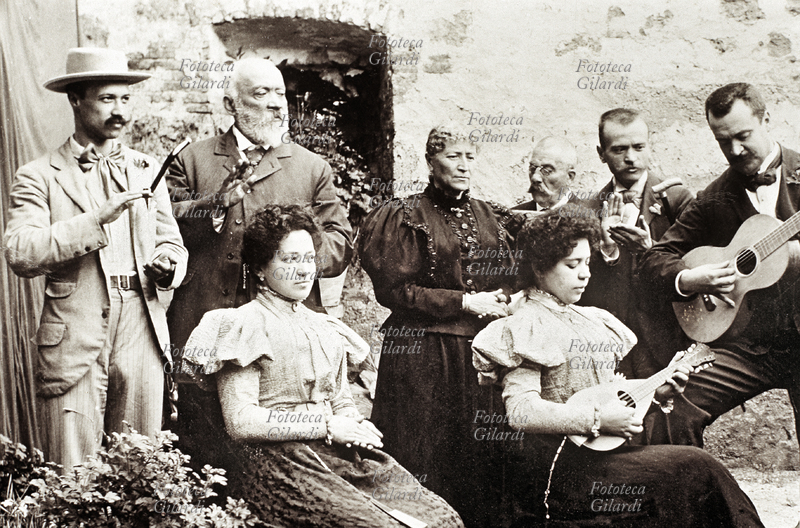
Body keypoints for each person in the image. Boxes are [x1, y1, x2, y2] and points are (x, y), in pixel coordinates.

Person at [472, 212, 763, 527]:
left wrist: (656, 391)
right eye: (572, 265)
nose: (585, 274)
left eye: (587, 263)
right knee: (695, 467)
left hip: (600, 457)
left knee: (693, 471)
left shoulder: (588, 318)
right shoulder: (526, 323)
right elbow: (521, 412)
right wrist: (596, 420)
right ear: (540, 268)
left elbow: (605, 394)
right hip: (562, 470)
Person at [182, 204, 463, 528]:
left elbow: (341, 400)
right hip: (279, 462)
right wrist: (326, 426)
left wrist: (354, 426)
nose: (304, 270)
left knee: (441, 518)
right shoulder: (242, 324)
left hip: (335, 453)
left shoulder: (326, 327)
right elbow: (241, 422)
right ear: (260, 268)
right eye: (290, 260)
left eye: (308, 258)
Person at [3, 48, 188, 471]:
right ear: (75, 99)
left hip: (141, 324)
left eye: (125, 99)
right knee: (73, 469)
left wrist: (168, 265)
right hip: (75, 331)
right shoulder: (39, 175)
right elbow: (21, 251)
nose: (120, 111)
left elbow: (172, 243)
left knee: (140, 467)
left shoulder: (147, 169)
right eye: (107, 99)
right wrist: (93, 221)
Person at [165, 57, 354, 465]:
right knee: (202, 448)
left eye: (280, 94)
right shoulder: (193, 160)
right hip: (205, 323)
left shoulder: (310, 167)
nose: (276, 105)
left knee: (281, 451)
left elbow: (340, 239)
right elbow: (166, 226)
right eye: (261, 93)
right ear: (231, 104)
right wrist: (216, 204)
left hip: (282, 338)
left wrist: (296, 264)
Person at [358, 125, 520, 527]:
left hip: (478, 355)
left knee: (477, 454)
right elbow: (395, 291)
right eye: (453, 157)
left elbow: (513, 275)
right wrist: (464, 301)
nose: (463, 166)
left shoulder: (491, 215)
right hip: (421, 353)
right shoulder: (403, 214)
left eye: (469, 157)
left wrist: (505, 298)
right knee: (424, 450)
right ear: (431, 162)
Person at [639, 83, 800, 451]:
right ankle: (695, 504)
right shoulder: (715, 196)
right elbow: (653, 261)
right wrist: (691, 278)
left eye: (743, 136)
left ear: (766, 120)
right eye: (722, 141)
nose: (734, 150)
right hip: (748, 344)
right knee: (672, 407)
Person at [579, 109, 693, 381]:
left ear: (649, 145)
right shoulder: (588, 209)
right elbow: (582, 283)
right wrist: (607, 251)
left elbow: (695, 265)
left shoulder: (676, 200)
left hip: (666, 339)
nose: (630, 158)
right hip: (611, 344)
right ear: (601, 153)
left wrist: (650, 249)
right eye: (619, 149)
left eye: (638, 147)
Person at [512, 136, 582, 214]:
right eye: (533, 168)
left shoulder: (590, 217)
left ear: (569, 177)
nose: (535, 177)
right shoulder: (513, 217)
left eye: (547, 171)